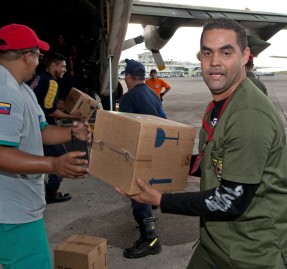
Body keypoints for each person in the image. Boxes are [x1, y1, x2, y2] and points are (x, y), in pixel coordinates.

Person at [116, 18, 287, 268]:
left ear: (244, 56)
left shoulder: (249, 114)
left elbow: (230, 200)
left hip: (250, 252)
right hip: (214, 241)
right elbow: (210, 162)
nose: (214, 61)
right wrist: (152, 161)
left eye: (226, 52)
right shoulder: (219, 106)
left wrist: (161, 200)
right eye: (207, 52)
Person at [0, 23, 91, 268]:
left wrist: (72, 132)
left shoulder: (18, 88)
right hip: (4, 208)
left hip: (16, 202)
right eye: (38, 55)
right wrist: (53, 164)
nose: (39, 61)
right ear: (28, 56)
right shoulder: (0, 91)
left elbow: (41, 131)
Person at [118, 59, 165, 259]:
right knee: (146, 193)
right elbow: (164, 120)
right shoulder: (153, 94)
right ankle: (148, 232)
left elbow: (124, 130)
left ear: (128, 77)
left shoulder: (129, 97)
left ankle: (151, 240)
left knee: (139, 199)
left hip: (138, 155)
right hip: (154, 152)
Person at [32, 52, 80, 204]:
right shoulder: (52, 82)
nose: (65, 69)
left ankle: (46, 190)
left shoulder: (38, 77)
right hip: (45, 127)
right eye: (62, 66)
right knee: (60, 158)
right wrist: (72, 117)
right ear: (53, 66)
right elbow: (50, 110)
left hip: (33, 125)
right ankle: (52, 193)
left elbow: (45, 101)